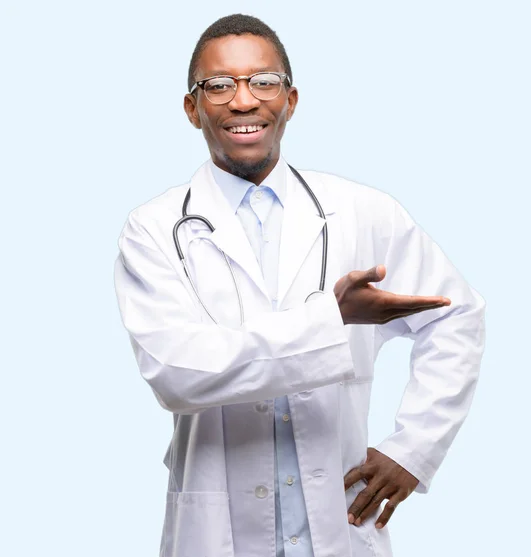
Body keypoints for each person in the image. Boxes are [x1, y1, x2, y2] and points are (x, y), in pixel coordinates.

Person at [114, 13, 486, 557]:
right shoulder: (154, 229)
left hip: (338, 523)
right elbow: (177, 373)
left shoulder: (362, 211)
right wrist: (330, 321)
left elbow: (457, 315)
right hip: (219, 533)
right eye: (218, 85)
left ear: (290, 100)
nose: (243, 101)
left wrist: (414, 450)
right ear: (193, 109)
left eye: (263, 82)